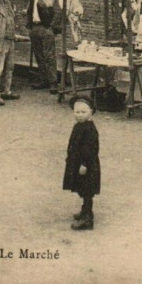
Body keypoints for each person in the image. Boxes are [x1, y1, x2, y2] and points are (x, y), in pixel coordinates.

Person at [63, 95, 100, 231]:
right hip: (77, 162)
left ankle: (87, 218)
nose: (79, 115)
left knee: (87, 189)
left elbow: (91, 149)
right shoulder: (78, 126)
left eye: (83, 112)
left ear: (91, 112)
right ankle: (84, 211)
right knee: (81, 188)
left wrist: (84, 164)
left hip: (86, 165)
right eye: (77, 112)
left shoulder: (90, 129)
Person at [26, 0, 62, 94]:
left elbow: (57, 11)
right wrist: (29, 26)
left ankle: (53, 83)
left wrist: (50, 27)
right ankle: (43, 79)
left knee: (49, 56)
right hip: (34, 28)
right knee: (39, 55)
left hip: (45, 28)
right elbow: (29, 11)